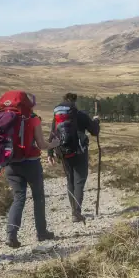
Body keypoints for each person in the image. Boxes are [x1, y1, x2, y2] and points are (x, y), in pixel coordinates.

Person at [3, 93, 61, 247]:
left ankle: (11, 235)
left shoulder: (5, 117)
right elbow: (42, 144)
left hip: (11, 164)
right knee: (38, 197)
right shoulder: (33, 118)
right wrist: (53, 144)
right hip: (31, 164)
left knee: (18, 198)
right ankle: (41, 232)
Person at [50, 93, 100, 223]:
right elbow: (94, 131)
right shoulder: (81, 115)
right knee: (79, 182)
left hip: (63, 153)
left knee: (70, 180)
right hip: (79, 152)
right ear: (74, 102)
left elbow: (52, 135)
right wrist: (96, 121)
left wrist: (50, 153)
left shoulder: (57, 118)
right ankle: (76, 212)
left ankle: (74, 210)